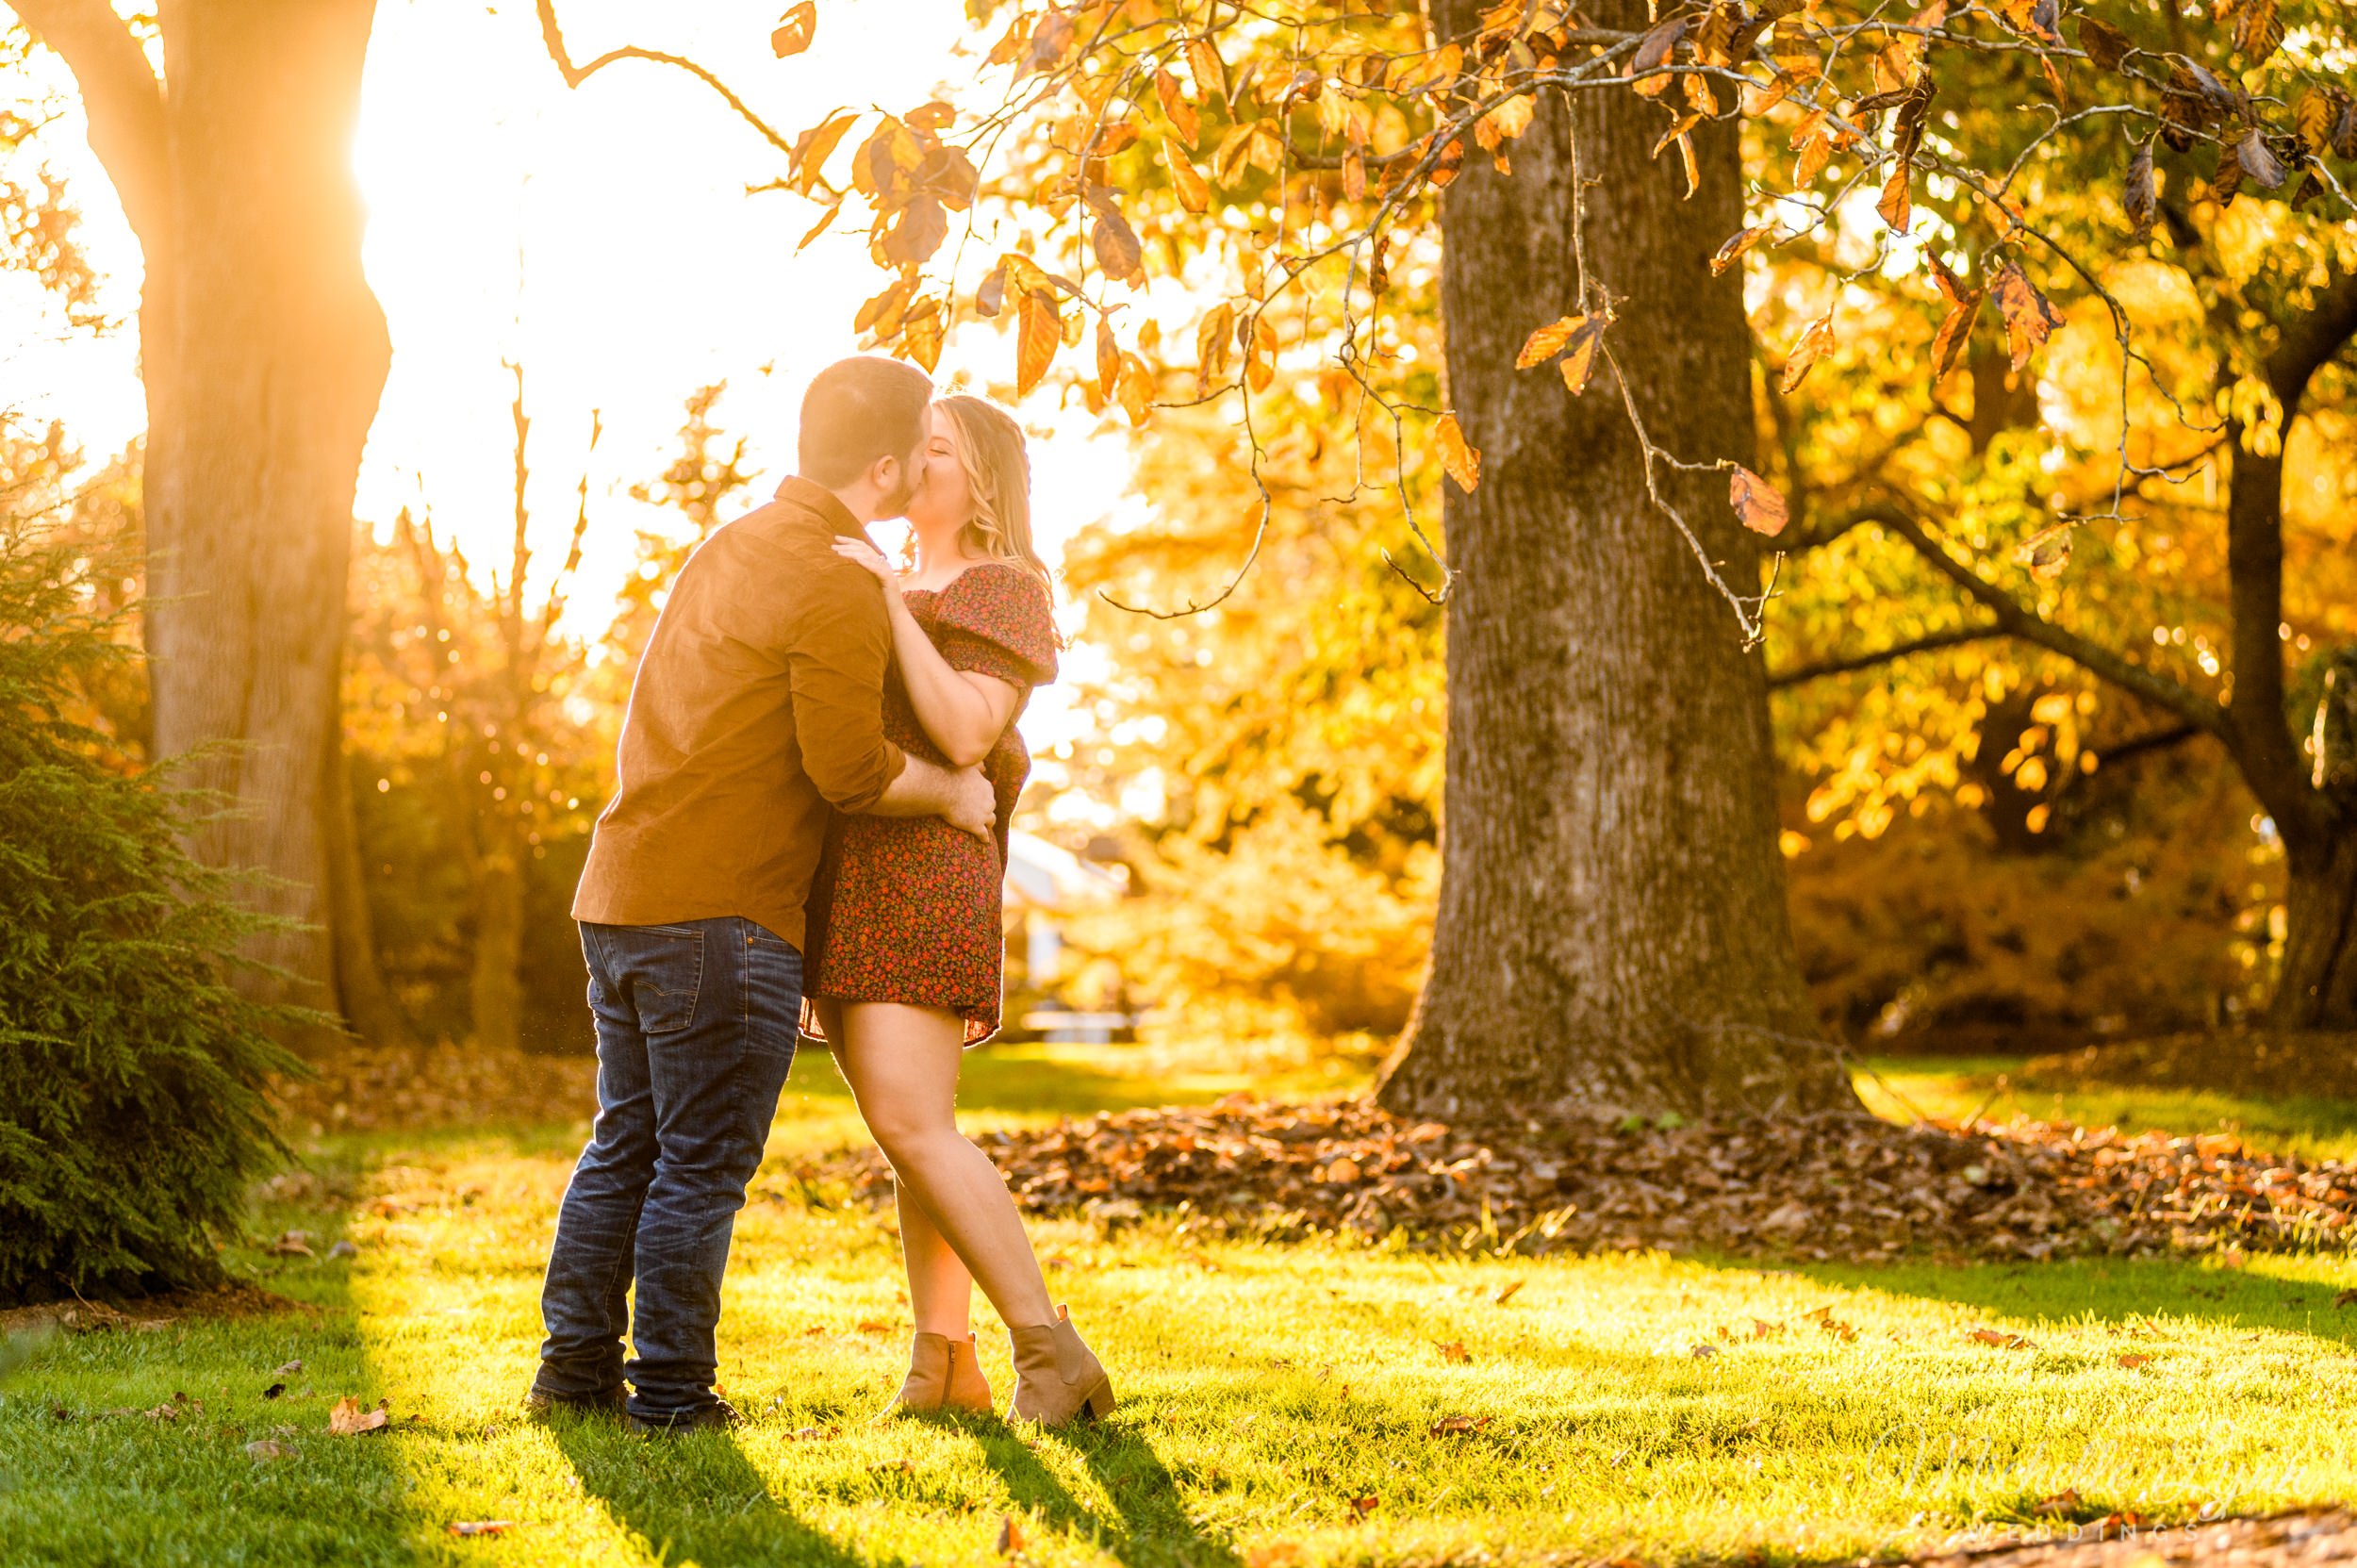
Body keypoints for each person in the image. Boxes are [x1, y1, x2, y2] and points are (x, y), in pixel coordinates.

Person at [527, 356, 996, 1434]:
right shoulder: (833, 576)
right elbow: (850, 770)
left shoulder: (730, 544)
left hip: (621, 893)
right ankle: (675, 1397)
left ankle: (574, 1374)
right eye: (921, 445)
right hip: (719, 916)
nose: (932, 460)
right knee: (696, 1167)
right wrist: (949, 794)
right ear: (882, 468)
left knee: (626, 1143)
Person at [804, 393, 1114, 1427]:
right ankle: (944, 1363)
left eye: (934, 447)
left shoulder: (1004, 587)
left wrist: (893, 606)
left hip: (928, 870)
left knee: (915, 1123)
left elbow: (965, 729)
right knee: (907, 1132)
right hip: (848, 874)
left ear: (980, 478)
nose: (911, 460)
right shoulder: (879, 566)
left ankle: (1049, 1351)